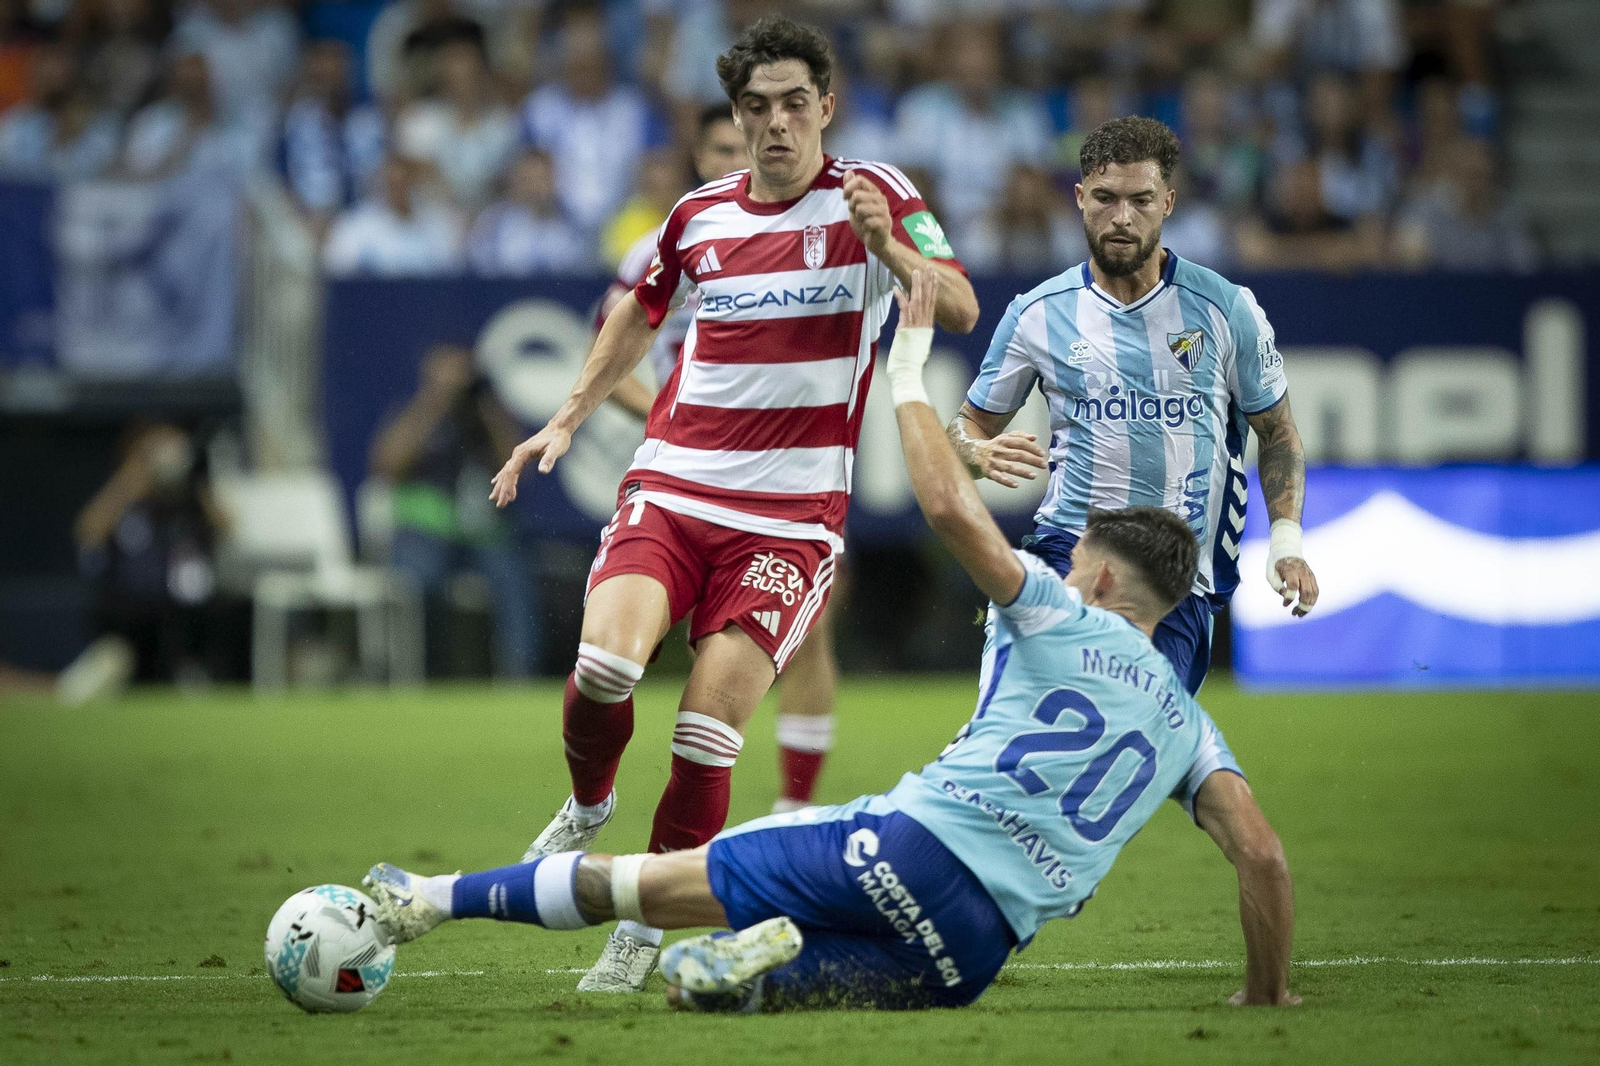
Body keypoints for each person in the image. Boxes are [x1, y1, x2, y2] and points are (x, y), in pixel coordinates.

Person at [364, 268, 1299, 1014]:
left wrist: (907, 371)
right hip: (971, 951)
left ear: (1096, 576)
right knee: (716, 993)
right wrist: (1268, 992)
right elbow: (1259, 854)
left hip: (910, 850)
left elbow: (947, 509)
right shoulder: (1187, 720)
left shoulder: (1058, 610)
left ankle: (430, 899)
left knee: (645, 885)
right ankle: (755, 960)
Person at [486, 15, 979, 992]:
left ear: (826, 107)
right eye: (757, 107)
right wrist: (570, 412)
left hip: (788, 521)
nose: (776, 123)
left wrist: (895, 255)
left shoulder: (877, 198)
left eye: (795, 103)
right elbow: (638, 307)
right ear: (738, 116)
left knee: (707, 729)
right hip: (674, 484)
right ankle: (589, 803)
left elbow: (959, 304)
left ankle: (640, 919)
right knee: (599, 666)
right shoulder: (699, 214)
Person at [947, 117, 1320, 696]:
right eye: (1105, 198)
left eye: (1140, 199)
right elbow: (965, 428)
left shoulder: (1226, 309)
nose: (1122, 216)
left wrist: (1287, 543)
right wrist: (974, 451)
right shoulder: (1036, 314)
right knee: (1007, 727)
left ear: (1168, 201)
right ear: (1079, 199)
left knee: (1126, 761)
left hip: (1173, 579)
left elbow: (1277, 432)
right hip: (1064, 554)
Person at [598, 102, 843, 818]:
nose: (732, 160)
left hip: (788, 478)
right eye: (718, 149)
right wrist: (682, 426)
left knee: (811, 628)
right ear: (697, 159)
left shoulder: (813, 242)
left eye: (744, 147)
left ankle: (795, 807)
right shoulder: (664, 244)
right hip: (683, 469)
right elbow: (609, 354)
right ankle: (600, 783)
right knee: (626, 640)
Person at [370, 344, 540, 679]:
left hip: (482, 533)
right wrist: (433, 402)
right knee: (420, 580)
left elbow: (522, 468)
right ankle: (423, 673)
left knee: (513, 580)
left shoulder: (487, 415)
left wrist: (484, 406)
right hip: (425, 532)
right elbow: (385, 466)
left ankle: (521, 676)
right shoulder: (415, 414)